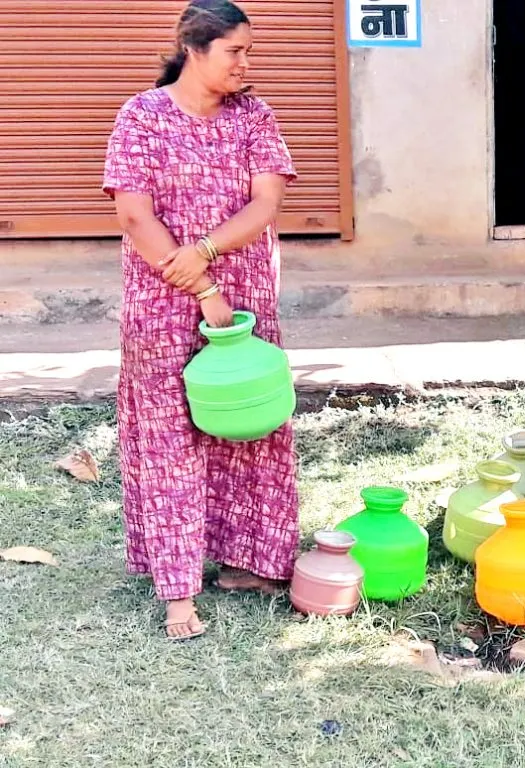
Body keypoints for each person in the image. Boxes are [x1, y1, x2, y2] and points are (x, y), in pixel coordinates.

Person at [103, 0, 299, 639]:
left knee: (250, 424)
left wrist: (208, 253)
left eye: (250, 50)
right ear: (195, 48)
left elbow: (265, 202)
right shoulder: (142, 117)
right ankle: (179, 591)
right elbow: (134, 215)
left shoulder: (253, 117)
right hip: (162, 304)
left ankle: (252, 560)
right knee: (170, 438)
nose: (247, 63)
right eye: (235, 51)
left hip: (246, 299)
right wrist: (202, 284)